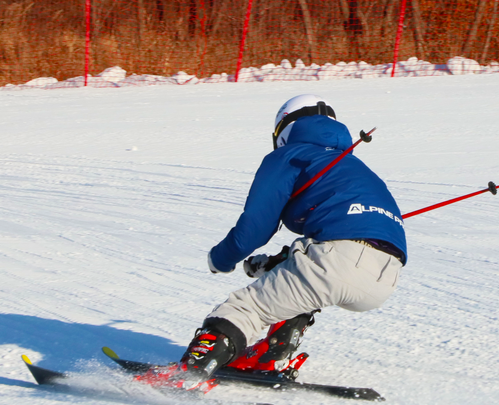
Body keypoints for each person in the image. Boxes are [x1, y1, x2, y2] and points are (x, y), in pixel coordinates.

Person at [171, 94, 408, 385]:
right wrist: (267, 265)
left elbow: (256, 227)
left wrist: (220, 259)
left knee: (246, 307)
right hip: (386, 277)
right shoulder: (354, 167)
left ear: (282, 129)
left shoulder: (291, 155)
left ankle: (192, 370)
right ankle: (273, 353)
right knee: (297, 275)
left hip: (338, 259)